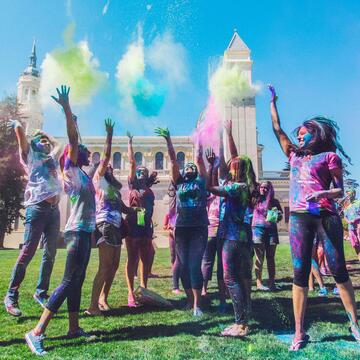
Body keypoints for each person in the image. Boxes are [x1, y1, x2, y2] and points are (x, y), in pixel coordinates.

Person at [268, 84, 360, 350]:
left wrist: (322, 193)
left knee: (338, 269)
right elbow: (277, 129)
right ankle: (299, 331)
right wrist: (273, 102)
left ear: (315, 135)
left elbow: (340, 189)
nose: (298, 136)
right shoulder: (294, 156)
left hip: (326, 215)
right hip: (299, 217)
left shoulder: (329, 157)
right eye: (297, 134)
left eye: (303, 133)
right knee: (299, 272)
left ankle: (354, 324)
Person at [25, 85, 96, 356]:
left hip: (85, 231)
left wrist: (75, 121)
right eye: (85, 151)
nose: (90, 153)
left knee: (77, 281)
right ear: (76, 155)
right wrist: (67, 110)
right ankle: (36, 332)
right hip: (76, 232)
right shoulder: (70, 169)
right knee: (68, 281)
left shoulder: (84, 175)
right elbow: (73, 141)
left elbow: (75, 138)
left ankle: (74, 327)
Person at [4, 119, 62, 316]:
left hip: (54, 211)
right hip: (37, 208)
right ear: (35, 144)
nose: (46, 143)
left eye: (47, 141)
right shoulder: (30, 155)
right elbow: (20, 133)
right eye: (42, 141)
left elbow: (59, 145)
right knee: (28, 251)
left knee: (51, 253)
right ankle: (11, 295)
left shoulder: (52, 158)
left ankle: (41, 292)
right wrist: (17, 123)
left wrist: (45, 132)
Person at [85, 119, 137, 315]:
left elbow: (122, 207)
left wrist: (134, 211)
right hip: (104, 223)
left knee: (114, 266)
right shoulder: (99, 180)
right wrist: (109, 134)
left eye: (112, 168)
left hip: (116, 225)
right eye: (108, 167)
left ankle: (103, 299)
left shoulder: (114, 189)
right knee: (105, 265)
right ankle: (92, 306)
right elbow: (106, 156)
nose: (111, 168)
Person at [156, 127, 208, 316]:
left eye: (191, 167)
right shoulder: (178, 182)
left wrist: (200, 139)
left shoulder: (201, 182)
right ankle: (189, 299)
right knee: (183, 265)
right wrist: (169, 139)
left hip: (198, 228)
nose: (189, 168)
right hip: (182, 228)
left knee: (194, 265)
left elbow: (200, 159)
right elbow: (172, 159)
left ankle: (197, 305)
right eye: (187, 167)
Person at [206, 147, 257, 337]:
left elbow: (210, 188)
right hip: (243, 237)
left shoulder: (238, 187)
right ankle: (245, 318)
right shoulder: (246, 186)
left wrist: (212, 167)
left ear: (238, 169)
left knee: (231, 279)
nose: (228, 170)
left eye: (231, 168)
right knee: (242, 276)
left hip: (232, 237)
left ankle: (240, 324)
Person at [125, 132, 158, 307]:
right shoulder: (133, 185)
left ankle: (143, 288)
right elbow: (131, 162)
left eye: (144, 171)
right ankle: (131, 293)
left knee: (147, 255)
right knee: (132, 257)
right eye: (139, 171)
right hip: (134, 223)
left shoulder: (147, 188)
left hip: (146, 224)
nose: (141, 172)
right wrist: (130, 142)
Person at [252, 181, 283, 291]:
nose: (263, 189)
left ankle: (272, 283)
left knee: (271, 258)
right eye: (262, 187)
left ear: (270, 189)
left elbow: (280, 216)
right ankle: (259, 283)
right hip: (257, 230)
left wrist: (278, 215)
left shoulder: (274, 202)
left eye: (266, 188)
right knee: (259, 257)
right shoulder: (255, 200)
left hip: (271, 231)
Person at [163, 182, 181, 294]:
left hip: (178, 231)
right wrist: (169, 227)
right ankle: (175, 285)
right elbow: (165, 225)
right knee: (174, 257)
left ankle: (176, 284)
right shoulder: (171, 210)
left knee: (178, 258)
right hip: (173, 233)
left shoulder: (176, 206)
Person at [342, 189, 360, 262]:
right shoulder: (347, 205)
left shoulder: (358, 203)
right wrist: (348, 221)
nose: (348, 196)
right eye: (347, 194)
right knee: (355, 245)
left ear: (353, 194)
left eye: (349, 194)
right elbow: (345, 217)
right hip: (351, 228)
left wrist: (356, 219)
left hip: (358, 226)